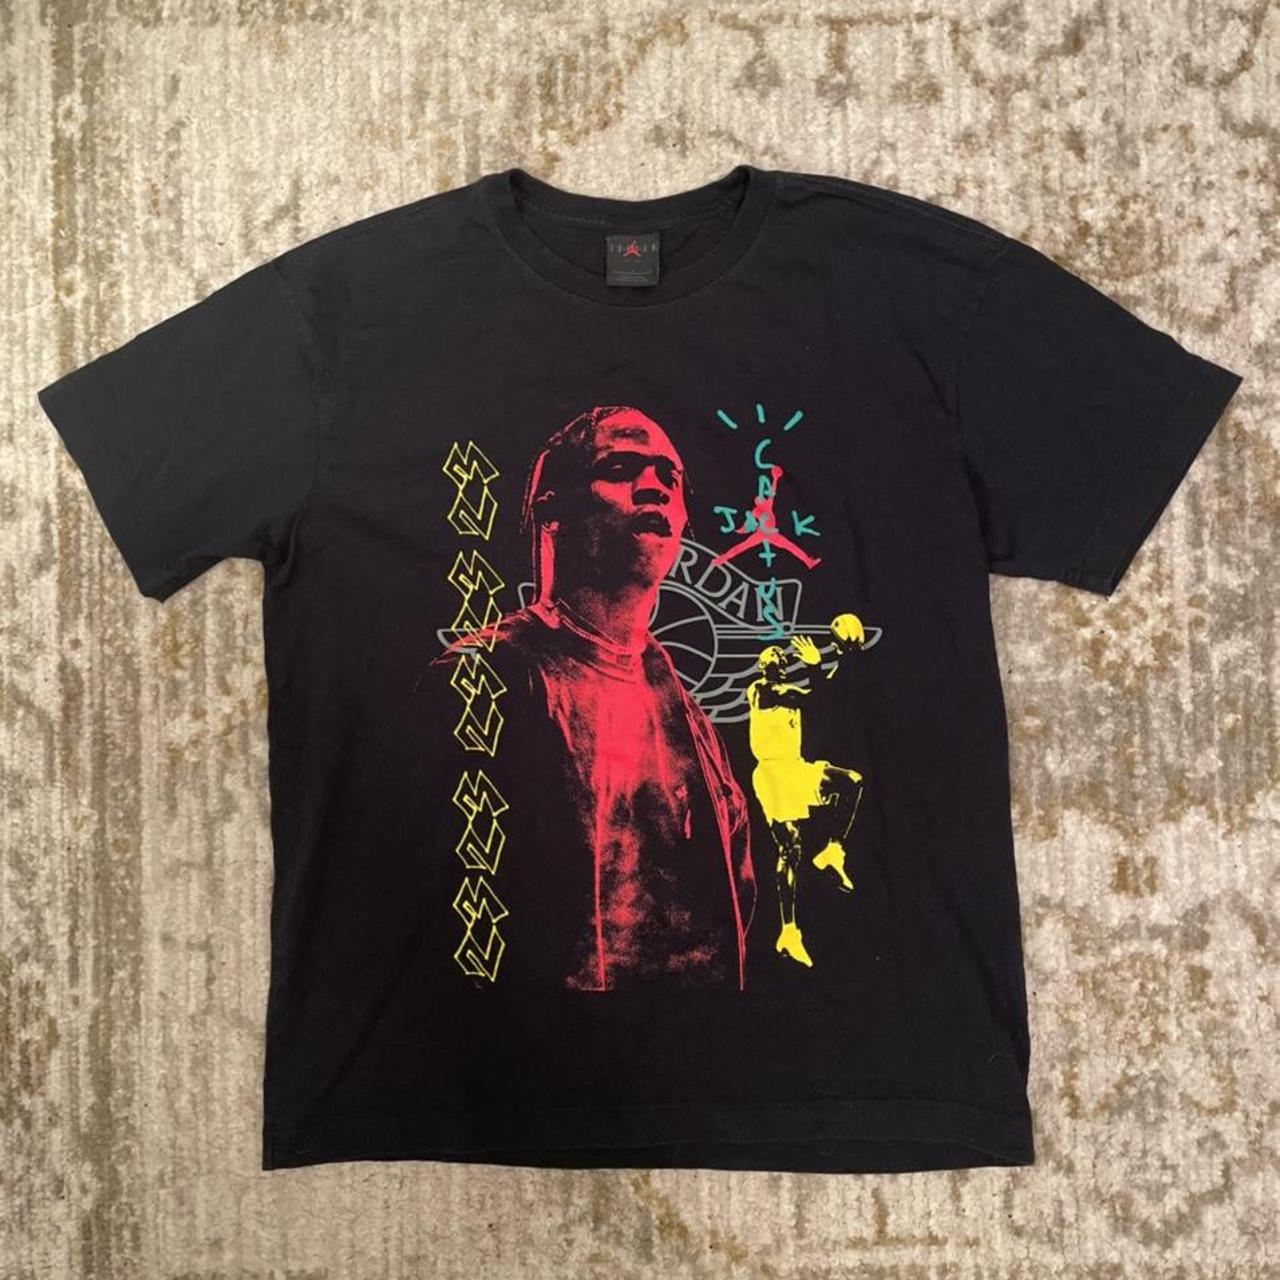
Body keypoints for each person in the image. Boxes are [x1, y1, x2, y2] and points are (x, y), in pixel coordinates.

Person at [430, 405, 757, 991]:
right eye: (621, 468)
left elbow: (734, 898)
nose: (655, 486)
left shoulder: (692, 724)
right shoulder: (488, 675)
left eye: (670, 476)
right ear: (551, 508)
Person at [745, 617, 867, 967]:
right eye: (772, 656)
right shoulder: (762, 690)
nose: (779, 658)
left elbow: (823, 696)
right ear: (762, 666)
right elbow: (814, 697)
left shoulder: (789, 693)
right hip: (772, 773)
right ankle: (789, 932)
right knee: (791, 847)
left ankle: (833, 850)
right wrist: (817, 666)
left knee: (851, 782)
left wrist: (844, 657)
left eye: (781, 657)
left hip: (795, 767)